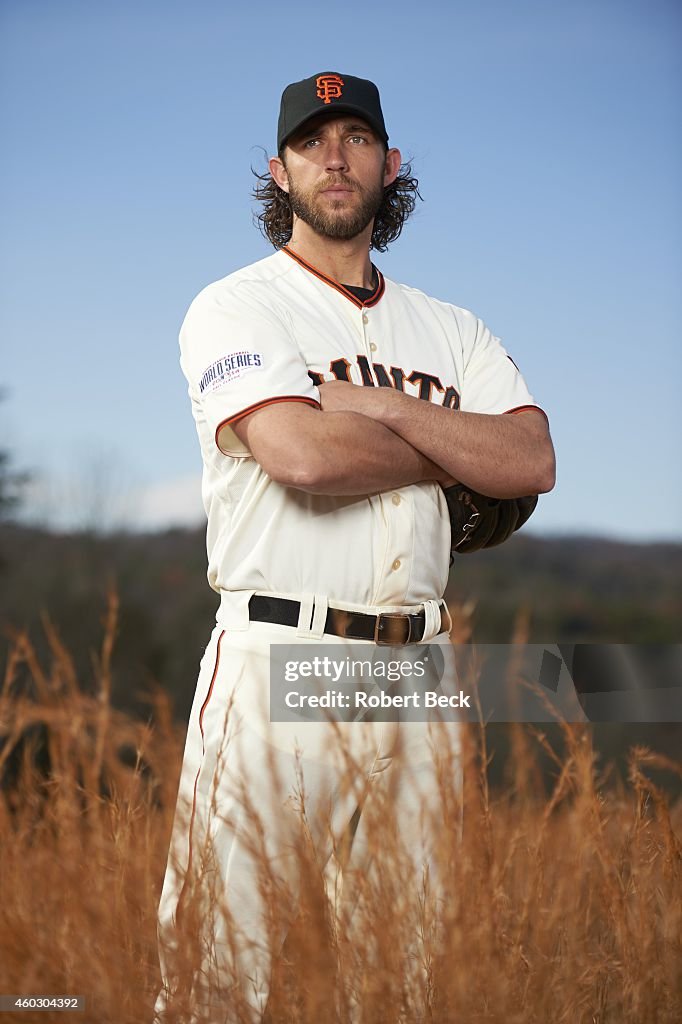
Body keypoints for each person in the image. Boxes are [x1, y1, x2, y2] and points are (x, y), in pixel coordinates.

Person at [154, 71, 555, 1023]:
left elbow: (530, 457)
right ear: (279, 169)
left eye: (357, 139)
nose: (335, 158)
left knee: (417, 979)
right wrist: (454, 447)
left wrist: (375, 405)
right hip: (279, 648)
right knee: (223, 970)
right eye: (312, 142)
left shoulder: (452, 328)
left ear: (391, 163)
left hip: (415, 665)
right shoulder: (237, 305)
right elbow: (298, 454)